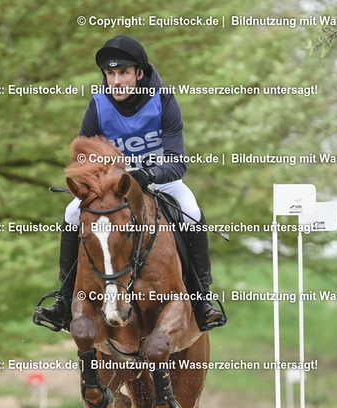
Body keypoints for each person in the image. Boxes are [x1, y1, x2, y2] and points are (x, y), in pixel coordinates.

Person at [34, 35, 226, 332]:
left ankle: (202, 300)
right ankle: (63, 299)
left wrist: (148, 175)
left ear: (139, 73)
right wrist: (97, 183)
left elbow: (177, 162)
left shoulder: (163, 100)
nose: (116, 81)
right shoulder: (98, 105)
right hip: (114, 187)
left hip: (159, 180)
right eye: (110, 73)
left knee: (191, 211)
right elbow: (85, 160)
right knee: (71, 213)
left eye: (123, 72)